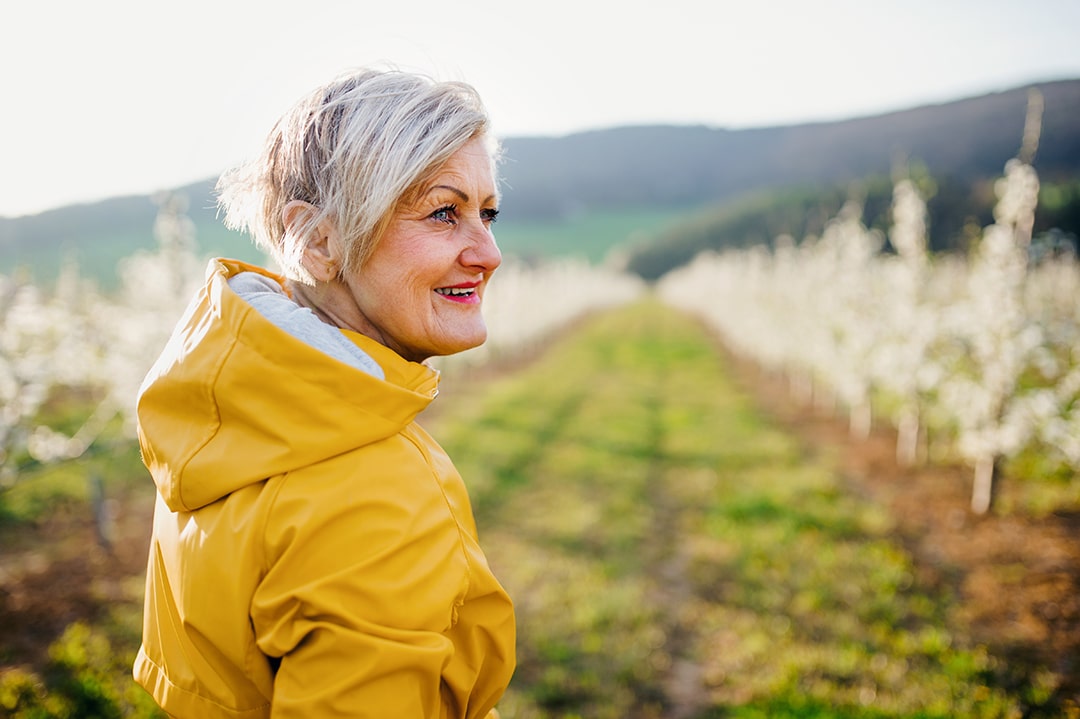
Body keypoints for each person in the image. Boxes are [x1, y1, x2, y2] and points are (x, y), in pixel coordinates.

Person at [133, 67, 516, 718]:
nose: (488, 251)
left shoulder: (226, 418)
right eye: (444, 212)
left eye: (487, 213)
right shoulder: (381, 496)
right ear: (318, 241)